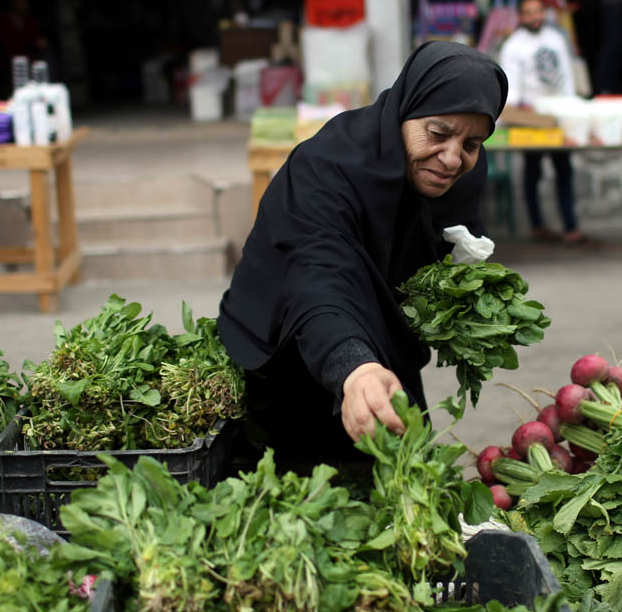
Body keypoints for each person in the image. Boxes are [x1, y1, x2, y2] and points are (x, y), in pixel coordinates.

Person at [218, 42, 508, 464]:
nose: (451, 158)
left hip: (379, 351)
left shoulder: (460, 174)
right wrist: (357, 368)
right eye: (438, 133)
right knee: (294, 481)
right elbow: (319, 279)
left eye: (472, 143)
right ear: (406, 110)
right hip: (290, 345)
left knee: (396, 469)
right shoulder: (326, 168)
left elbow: (441, 247)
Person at [498, 0, 584, 244]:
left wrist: (570, 108)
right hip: (532, 118)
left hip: (558, 115)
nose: (536, 17)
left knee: (564, 170)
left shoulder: (556, 38)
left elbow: (566, 76)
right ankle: (537, 225)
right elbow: (511, 87)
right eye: (529, 12)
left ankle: (571, 226)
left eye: (539, 12)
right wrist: (517, 109)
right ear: (521, 17)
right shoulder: (513, 46)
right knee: (532, 172)